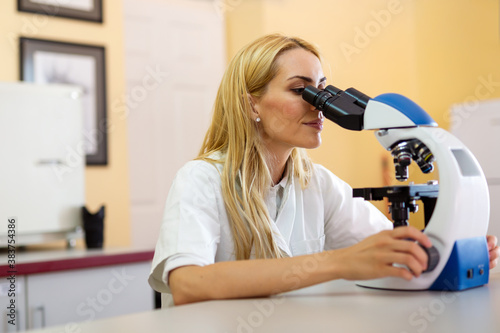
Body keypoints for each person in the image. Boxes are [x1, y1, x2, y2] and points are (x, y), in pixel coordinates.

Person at [149, 34, 500, 307]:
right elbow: (188, 284)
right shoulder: (200, 180)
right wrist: (338, 263)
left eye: (321, 90)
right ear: (250, 103)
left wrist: (446, 248)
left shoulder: (317, 184)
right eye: (301, 90)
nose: (320, 107)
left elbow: (387, 255)